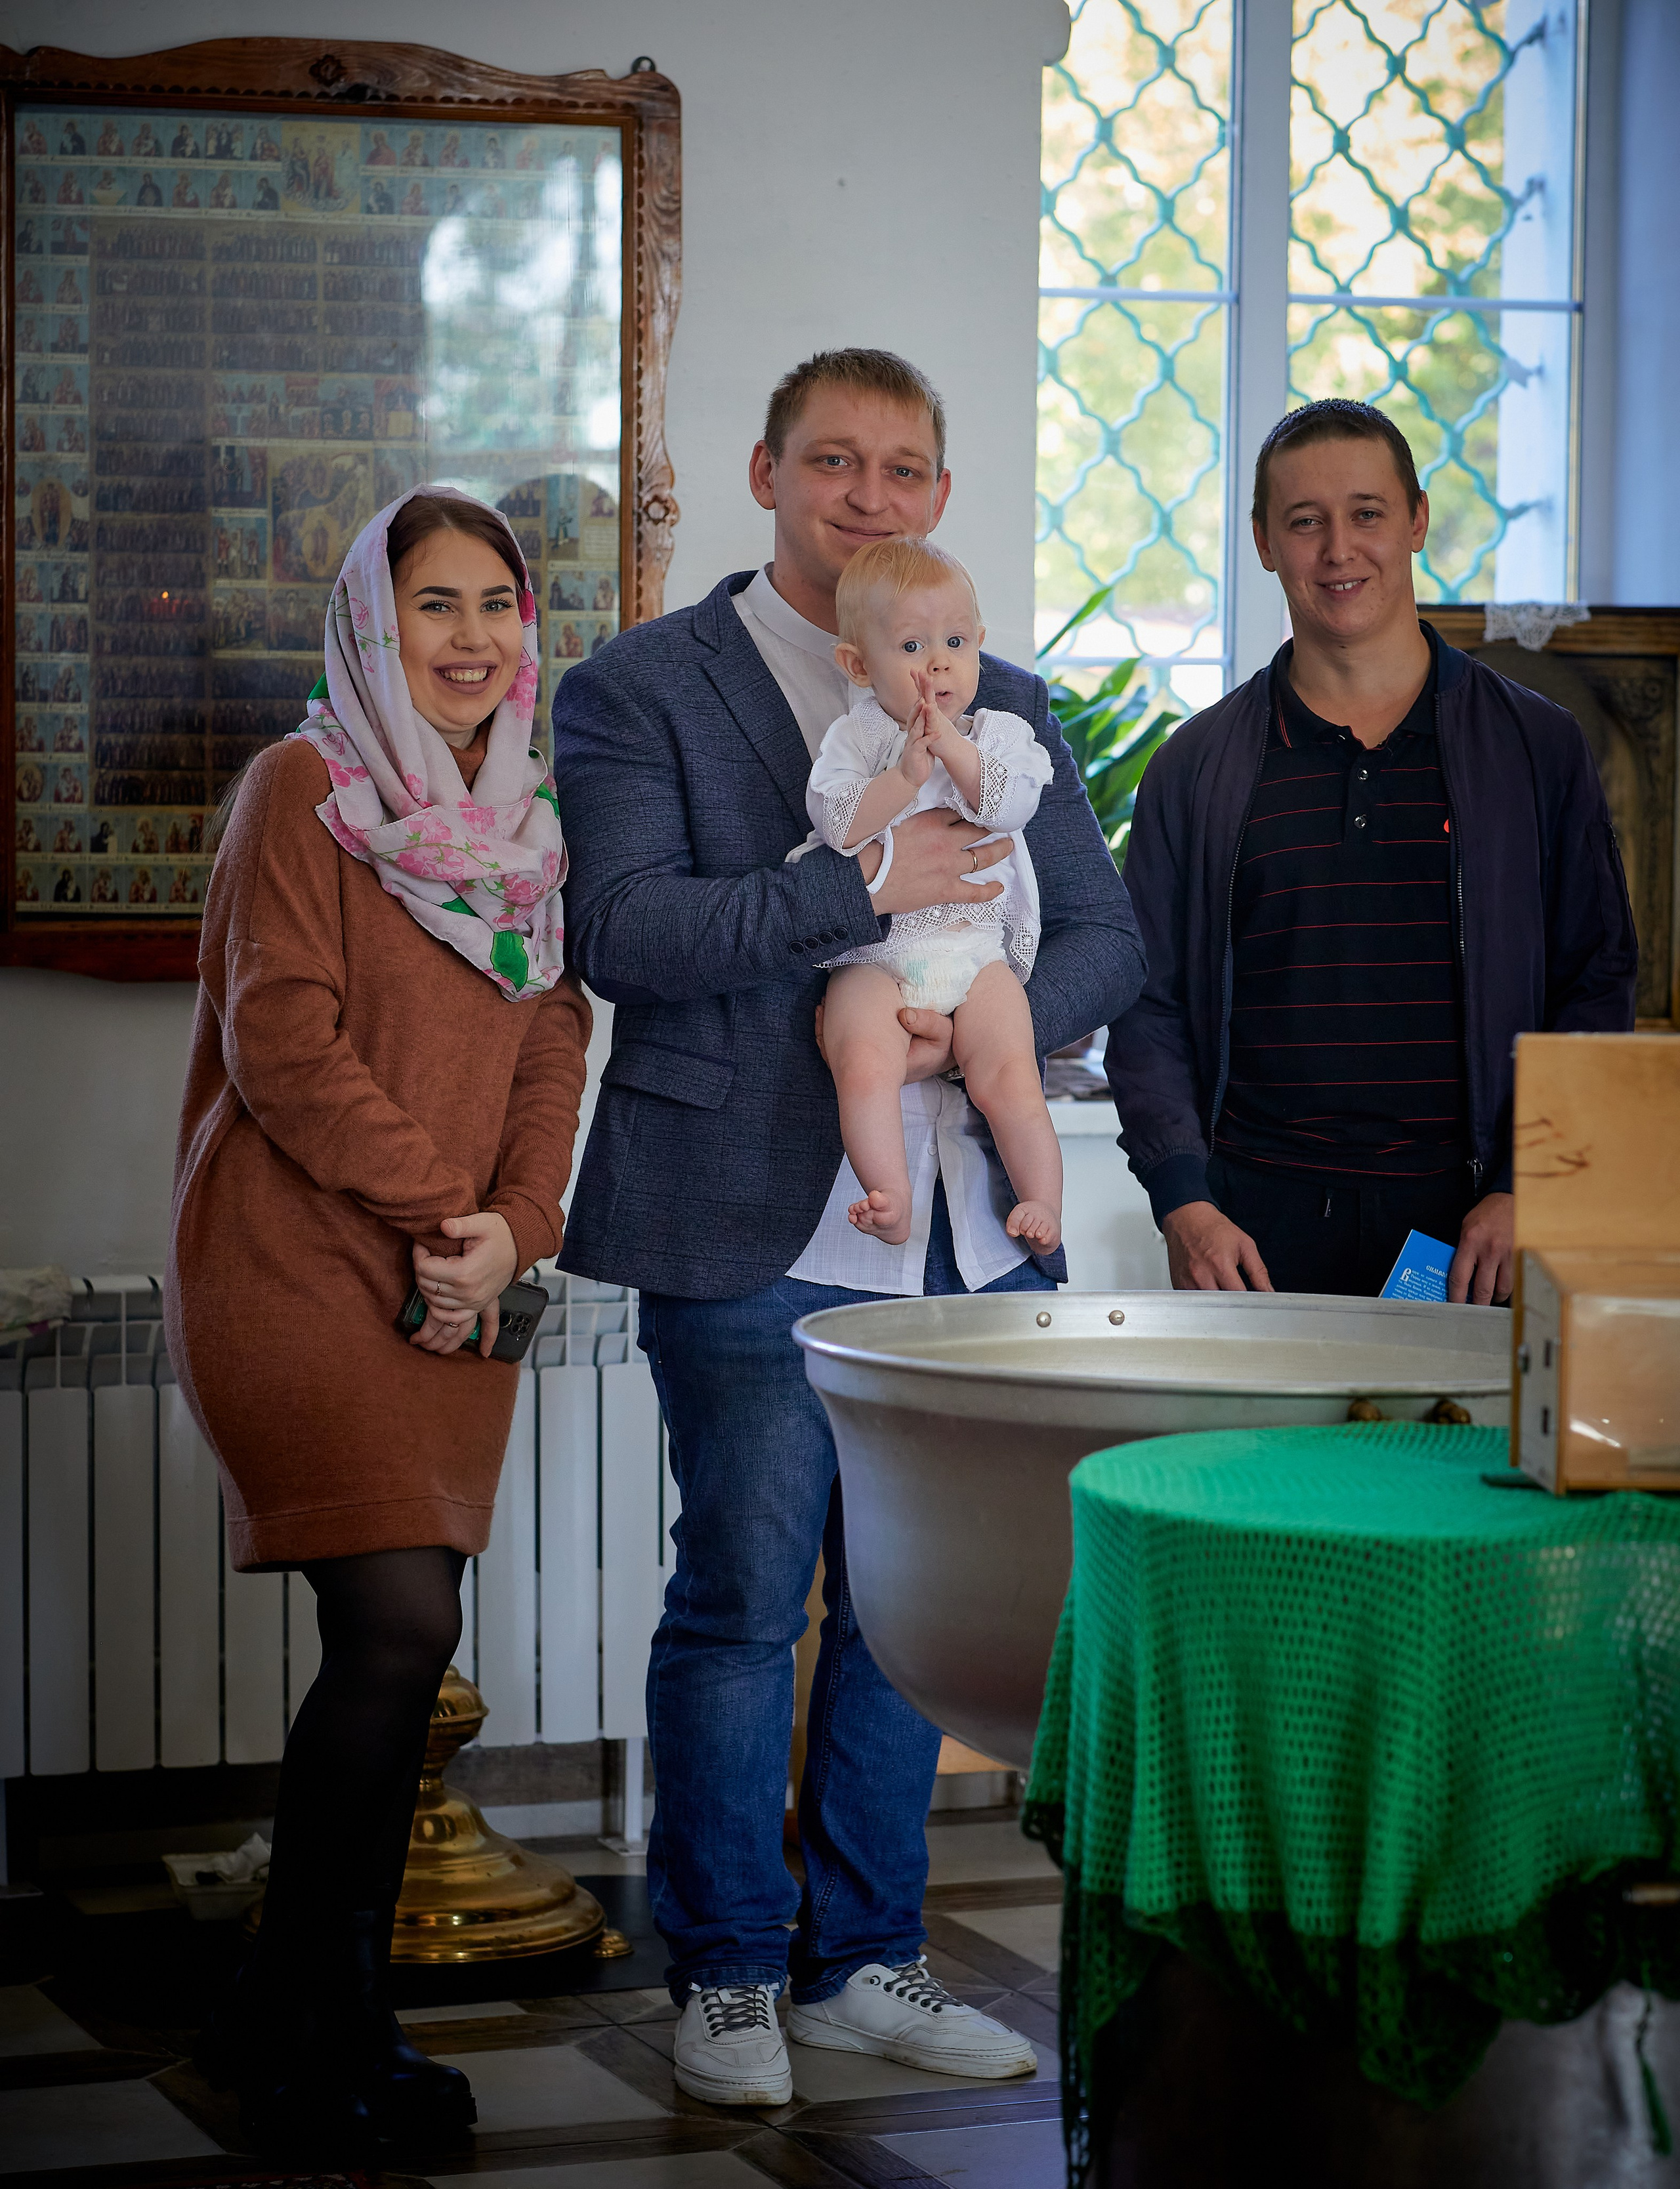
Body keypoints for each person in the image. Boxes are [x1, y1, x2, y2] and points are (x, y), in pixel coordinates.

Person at [552, 348, 1143, 2108]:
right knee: (743, 1601)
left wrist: (983, 1026)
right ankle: (731, 1971)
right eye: (831, 462)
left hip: (962, 1229)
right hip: (749, 1214)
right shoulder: (640, 687)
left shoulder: (1002, 699)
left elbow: (1106, 935)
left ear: (937, 496)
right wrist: (853, 894)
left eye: (900, 469)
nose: (865, 495)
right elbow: (626, 935)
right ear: (766, 474)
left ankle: (864, 1962)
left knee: (908, 1613)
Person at [164, 487, 589, 2158]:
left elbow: (552, 1039)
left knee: (398, 1641)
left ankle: (292, 2015)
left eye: (495, 603)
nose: (471, 637)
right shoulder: (305, 789)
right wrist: (447, 1216)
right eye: (434, 604)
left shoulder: (529, 821)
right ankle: (319, 2028)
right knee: (400, 1627)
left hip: (455, 1272)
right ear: (369, 621)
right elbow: (281, 1045)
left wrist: (516, 1232)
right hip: (290, 1262)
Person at [1107, 400, 1638, 1301]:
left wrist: (1529, 1183)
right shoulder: (1195, 766)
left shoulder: (1536, 747)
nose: (1338, 550)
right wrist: (1183, 1202)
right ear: (1263, 541)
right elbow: (1146, 1001)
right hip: (1251, 1234)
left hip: (1473, 1232)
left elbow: (1596, 979)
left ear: (1417, 521)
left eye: (1366, 514)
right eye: (1304, 522)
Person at [805, 534, 1060, 1250]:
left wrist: (953, 749)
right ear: (859, 665)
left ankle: (1043, 1201)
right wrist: (902, 780)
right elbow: (838, 825)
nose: (939, 662)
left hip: (975, 954)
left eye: (955, 641)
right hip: (877, 955)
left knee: (1010, 1071)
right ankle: (889, 1195)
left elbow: (1011, 805)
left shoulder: (1000, 733)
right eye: (913, 646)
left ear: (978, 644)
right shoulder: (854, 740)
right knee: (862, 1061)